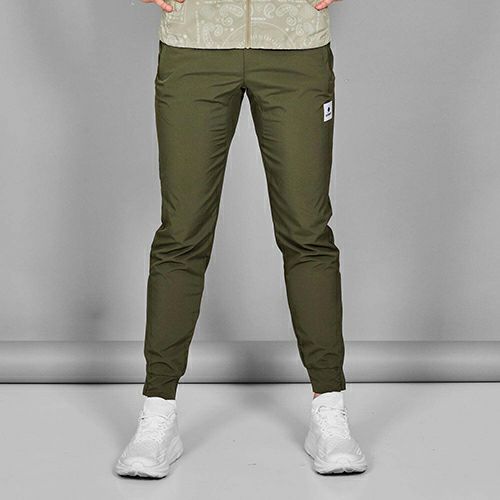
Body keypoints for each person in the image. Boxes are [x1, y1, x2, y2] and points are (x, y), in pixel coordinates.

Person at [115, 0, 367, 478]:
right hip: (194, 43)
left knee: (308, 232)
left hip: (295, 43)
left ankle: (329, 410)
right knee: (182, 233)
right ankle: (158, 414)